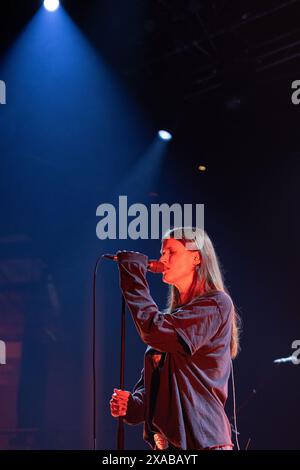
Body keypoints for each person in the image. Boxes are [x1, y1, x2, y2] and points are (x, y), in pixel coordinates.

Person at [109, 226, 240, 450]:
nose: (162, 258)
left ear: (196, 257)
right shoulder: (174, 319)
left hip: (204, 442)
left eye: (171, 251)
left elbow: (154, 330)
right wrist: (131, 405)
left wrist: (133, 275)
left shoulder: (216, 304)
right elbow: (153, 395)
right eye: (162, 252)